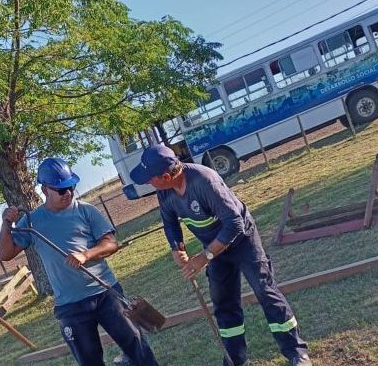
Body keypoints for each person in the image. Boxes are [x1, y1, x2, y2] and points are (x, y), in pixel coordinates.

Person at [130, 145, 312, 366]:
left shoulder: (204, 181)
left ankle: (297, 352)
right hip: (214, 248)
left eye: (150, 178)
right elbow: (169, 221)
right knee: (223, 303)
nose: (148, 183)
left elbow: (234, 224)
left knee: (264, 290)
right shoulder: (164, 191)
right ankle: (235, 361)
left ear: (166, 176)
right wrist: (176, 247)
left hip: (242, 240)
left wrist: (204, 256)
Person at [0, 157, 158, 366]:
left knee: (136, 346)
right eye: (61, 190)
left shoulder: (86, 210)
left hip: (106, 293)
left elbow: (111, 244)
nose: (68, 193)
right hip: (70, 306)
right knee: (89, 360)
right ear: (45, 189)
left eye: (71, 187)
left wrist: (87, 254)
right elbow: (6, 253)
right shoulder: (32, 221)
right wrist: (6, 223)